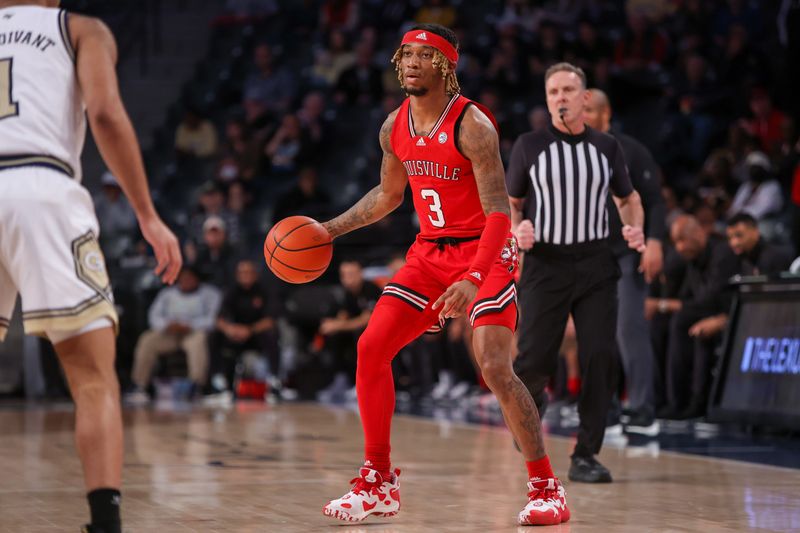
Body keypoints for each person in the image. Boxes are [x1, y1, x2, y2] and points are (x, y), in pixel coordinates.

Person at [320, 24, 569, 526]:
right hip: (429, 254)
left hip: (486, 252)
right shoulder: (394, 126)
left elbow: (500, 211)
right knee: (371, 348)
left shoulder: (473, 125)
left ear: (446, 65)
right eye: (406, 54)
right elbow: (387, 197)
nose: (411, 62)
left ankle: (546, 487)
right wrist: (329, 229)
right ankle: (378, 482)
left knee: (494, 367)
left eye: (425, 55)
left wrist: (476, 277)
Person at [0, 2, 182, 532]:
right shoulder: (80, 28)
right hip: (41, 188)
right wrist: (147, 215)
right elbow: (104, 113)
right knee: (93, 379)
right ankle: (105, 523)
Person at [507, 63, 646, 483]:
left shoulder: (606, 147)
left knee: (600, 357)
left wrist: (634, 224)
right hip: (545, 264)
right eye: (553, 91)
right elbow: (511, 204)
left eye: (569, 89)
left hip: (595, 265)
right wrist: (519, 231)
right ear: (546, 98)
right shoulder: (529, 145)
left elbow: (628, 197)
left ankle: (586, 453)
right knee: (532, 360)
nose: (561, 97)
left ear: (585, 98)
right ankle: (532, 411)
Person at [582, 88, 666, 435]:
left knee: (629, 329)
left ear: (606, 114)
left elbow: (655, 201)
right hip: (587, 256)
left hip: (626, 253)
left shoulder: (631, 150)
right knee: (595, 336)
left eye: (587, 109)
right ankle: (609, 411)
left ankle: (643, 410)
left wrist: (655, 242)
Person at [127, 265, 221, 402]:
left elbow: (213, 319)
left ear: (197, 279)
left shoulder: (210, 294)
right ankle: (139, 385)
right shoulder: (167, 294)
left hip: (193, 332)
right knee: (147, 339)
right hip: (170, 333)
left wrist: (190, 325)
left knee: (198, 341)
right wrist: (168, 325)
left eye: (190, 278)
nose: (186, 281)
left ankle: (196, 386)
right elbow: (154, 316)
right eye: (183, 278)